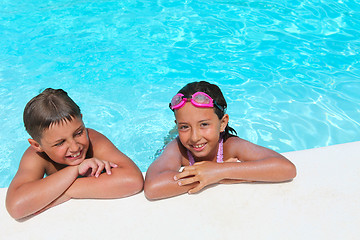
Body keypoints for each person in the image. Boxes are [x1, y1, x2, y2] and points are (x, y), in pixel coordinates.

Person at [6, 88, 143, 219]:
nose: (75, 147)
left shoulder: (94, 140)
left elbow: (133, 180)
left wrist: (63, 192)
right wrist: (75, 170)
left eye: (78, 133)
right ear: (37, 145)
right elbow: (16, 206)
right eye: (60, 143)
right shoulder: (36, 157)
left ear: (82, 121)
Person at [144, 81, 296, 200]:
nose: (194, 137)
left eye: (204, 124)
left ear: (223, 123)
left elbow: (286, 168)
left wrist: (219, 171)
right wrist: (210, 177)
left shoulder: (231, 146)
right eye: (184, 127)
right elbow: (153, 186)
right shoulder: (178, 148)